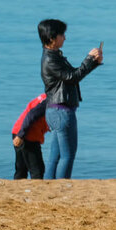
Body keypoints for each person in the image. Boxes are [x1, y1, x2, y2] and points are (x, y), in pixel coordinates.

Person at [39, 19, 102, 179]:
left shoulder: (53, 56)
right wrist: (89, 59)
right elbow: (72, 77)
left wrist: (93, 63)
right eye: (62, 34)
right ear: (52, 37)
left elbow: (73, 74)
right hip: (61, 111)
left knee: (56, 156)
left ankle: (48, 188)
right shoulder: (51, 59)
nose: (65, 38)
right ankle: (62, 188)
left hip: (56, 111)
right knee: (68, 155)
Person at [11, 92, 49, 180]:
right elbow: (31, 115)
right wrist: (21, 135)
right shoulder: (49, 100)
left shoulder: (44, 97)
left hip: (18, 130)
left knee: (21, 169)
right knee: (37, 169)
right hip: (27, 135)